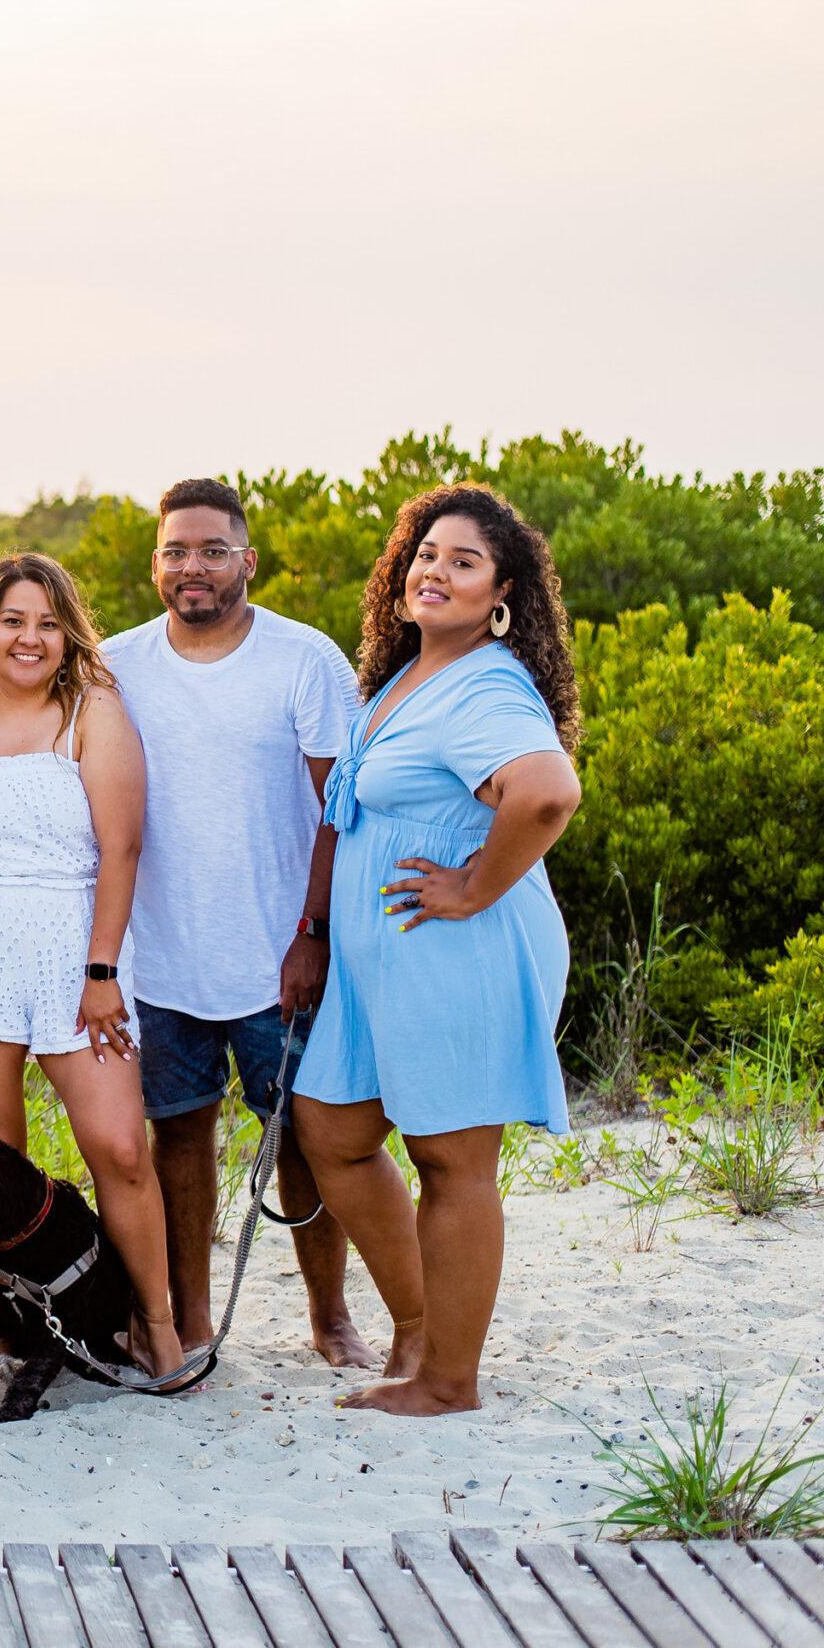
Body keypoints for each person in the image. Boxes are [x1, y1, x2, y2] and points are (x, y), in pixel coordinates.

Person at [295, 484, 583, 1417]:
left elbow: (545, 793)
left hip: (459, 944)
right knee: (334, 1131)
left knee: (452, 1159)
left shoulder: (486, 682)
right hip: (384, 956)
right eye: (426, 553)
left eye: (464, 562)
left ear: (501, 594)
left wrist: (470, 885)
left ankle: (448, 1382)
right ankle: (423, 1327)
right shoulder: (408, 675)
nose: (436, 570)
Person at [101, 477, 379, 1369]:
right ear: (155, 563)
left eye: (213, 550)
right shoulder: (116, 664)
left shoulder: (304, 660)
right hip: (160, 957)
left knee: (305, 1140)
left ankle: (329, 1316)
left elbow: (339, 806)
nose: (194, 567)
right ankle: (188, 1319)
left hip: (277, 957)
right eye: (176, 551)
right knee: (178, 1138)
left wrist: (315, 931)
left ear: (246, 561)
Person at [0, 553, 186, 1381]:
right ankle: (2, 1334)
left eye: (48, 622)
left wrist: (101, 971)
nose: (30, 637)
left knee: (121, 1146)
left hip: (74, 952)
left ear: (68, 634)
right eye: (13, 620)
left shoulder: (93, 712)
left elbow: (122, 848)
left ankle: (155, 1327)